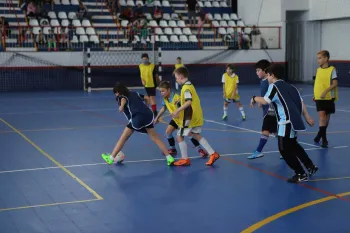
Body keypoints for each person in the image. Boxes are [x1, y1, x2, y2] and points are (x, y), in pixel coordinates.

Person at [250, 64, 318, 183]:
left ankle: (300, 173)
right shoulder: (292, 87)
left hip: (285, 123)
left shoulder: (274, 86)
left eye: (269, 75)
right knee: (293, 145)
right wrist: (307, 116)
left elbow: (266, 101)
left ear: (272, 75)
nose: (268, 77)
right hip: (294, 122)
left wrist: (254, 98)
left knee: (284, 150)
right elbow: (301, 103)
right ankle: (310, 166)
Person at [101, 83, 175, 166]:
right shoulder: (134, 93)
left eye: (115, 93)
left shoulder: (121, 97)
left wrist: (121, 107)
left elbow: (123, 100)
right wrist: (145, 106)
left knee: (123, 138)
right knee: (155, 138)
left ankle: (110, 158)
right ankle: (169, 157)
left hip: (137, 119)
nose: (115, 95)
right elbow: (147, 98)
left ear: (118, 92)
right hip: (148, 115)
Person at [171, 67, 220, 166]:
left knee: (179, 135)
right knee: (195, 135)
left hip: (189, 116)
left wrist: (177, 110)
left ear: (181, 77)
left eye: (176, 78)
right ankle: (213, 153)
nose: (176, 80)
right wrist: (181, 100)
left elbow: (189, 102)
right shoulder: (189, 85)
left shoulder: (186, 88)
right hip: (196, 115)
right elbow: (190, 98)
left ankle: (185, 159)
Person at [154, 81, 208, 157]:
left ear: (168, 90)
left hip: (182, 120)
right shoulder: (165, 99)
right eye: (160, 91)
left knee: (189, 134)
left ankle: (200, 150)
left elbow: (186, 107)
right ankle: (172, 148)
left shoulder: (177, 98)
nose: (161, 93)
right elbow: (164, 108)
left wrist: (178, 113)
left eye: (163, 91)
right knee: (168, 132)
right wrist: (157, 117)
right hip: (176, 120)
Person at [248, 59, 279, 159]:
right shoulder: (264, 81)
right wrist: (261, 102)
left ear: (265, 70)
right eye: (256, 70)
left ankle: (258, 151)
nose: (256, 72)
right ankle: (284, 150)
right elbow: (266, 95)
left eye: (258, 70)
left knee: (265, 130)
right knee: (276, 132)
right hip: (269, 110)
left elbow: (270, 97)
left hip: (271, 111)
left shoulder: (268, 82)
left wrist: (256, 99)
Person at [313, 50, 338, 148]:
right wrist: (315, 94)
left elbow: (335, 84)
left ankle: (319, 135)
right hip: (319, 97)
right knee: (322, 117)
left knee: (326, 120)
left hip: (328, 97)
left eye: (320, 58)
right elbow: (317, 83)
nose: (318, 60)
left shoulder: (332, 69)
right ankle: (324, 140)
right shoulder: (318, 70)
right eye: (317, 58)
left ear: (326, 58)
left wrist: (326, 91)